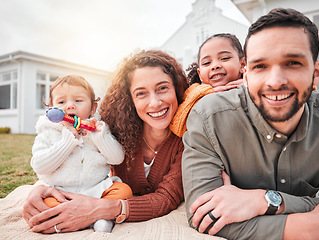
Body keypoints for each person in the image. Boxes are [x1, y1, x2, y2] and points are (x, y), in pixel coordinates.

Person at [182, 8, 319, 240]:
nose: (275, 82)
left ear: (316, 73)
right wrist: (312, 225)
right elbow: (204, 217)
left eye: (292, 62)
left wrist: (262, 200)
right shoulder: (209, 117)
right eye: (260, 66)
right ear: (246, 75)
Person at [22, 50, 188, 233]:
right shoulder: (119, 127)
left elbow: (165, 198)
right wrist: (40, 188)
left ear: (177, 88)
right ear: (130, 99)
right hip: (69, 191)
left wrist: (95, 210)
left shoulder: (188, 138)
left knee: (123, 191)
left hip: (102, 197)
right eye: (141, 93)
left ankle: (98, 220)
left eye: (162, 88)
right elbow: (67, 164)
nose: (155, 103)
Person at [30, 75, 132, 233]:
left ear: (93, 107)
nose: (70, 106)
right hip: (61, 193)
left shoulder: (98, 130)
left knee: (124, 191)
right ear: (52, 109)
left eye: (78, 101)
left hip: (96, 190)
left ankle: (94, 215)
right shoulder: (47, 133)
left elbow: (117, 159)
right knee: (45, 205)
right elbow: (40, 166)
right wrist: (68, 141)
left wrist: (100, 138)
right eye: (62, 102)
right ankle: (94, 218)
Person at [170, 33, 245, 137]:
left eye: (224, 58)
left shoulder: (252, 88)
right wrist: (209, 92)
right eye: (206, 63)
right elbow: (178, 127)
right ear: (200, 74)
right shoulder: (194, 95)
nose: (215, 66)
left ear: (243, 64)